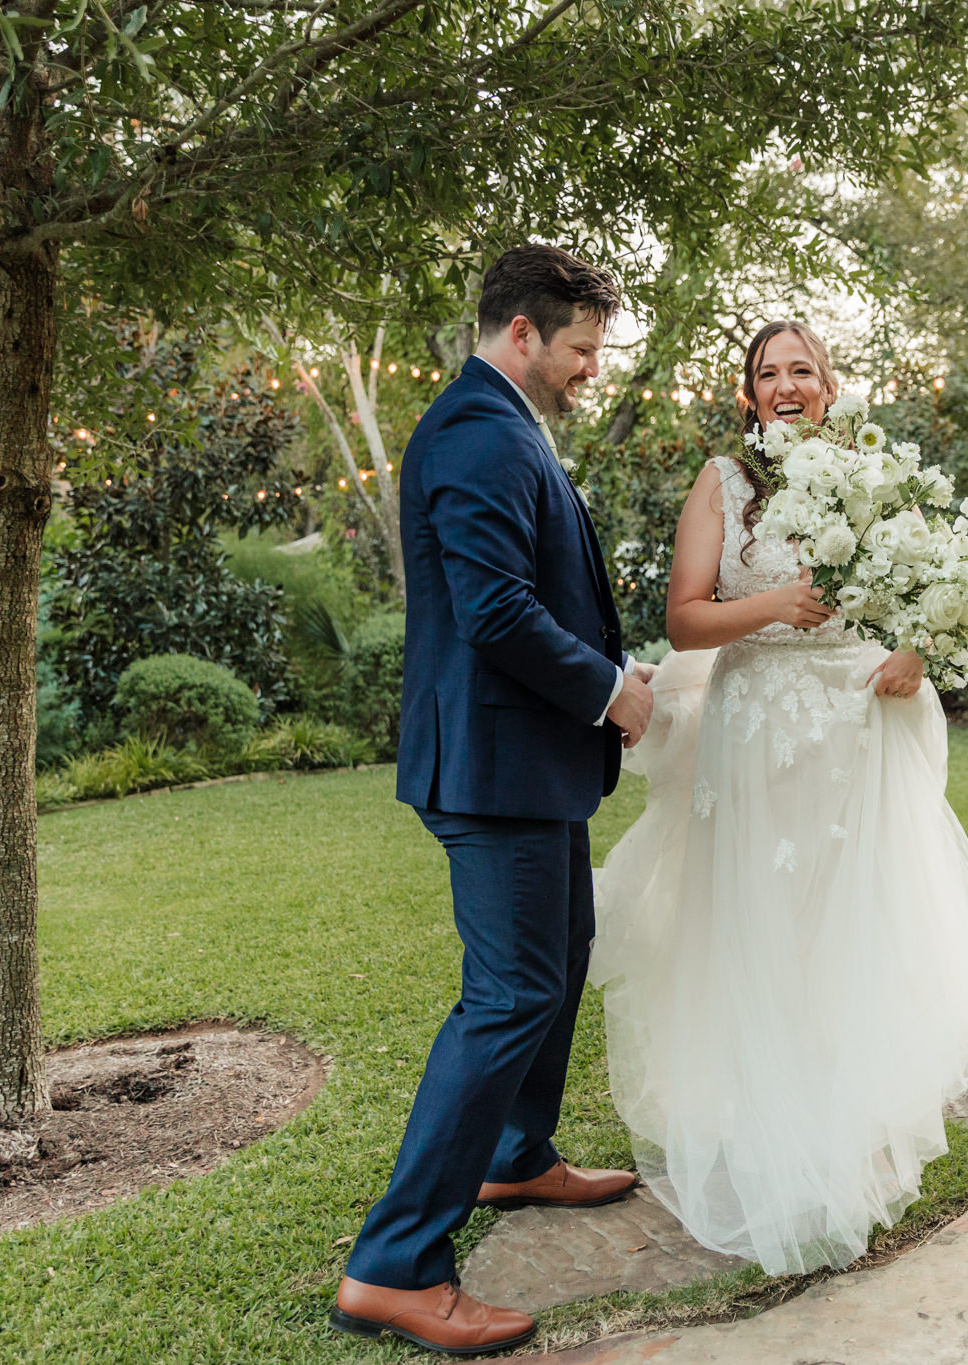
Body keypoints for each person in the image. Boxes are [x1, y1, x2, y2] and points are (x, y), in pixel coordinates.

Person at [590, 320, 968, 1276]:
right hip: (754, 728)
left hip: (850, 734)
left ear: (831, 384)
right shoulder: (723, 482)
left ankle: (846, 1142)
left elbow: (938, 594)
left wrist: (912, 652)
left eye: (801, 369)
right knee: (760, 928)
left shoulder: (877, 479)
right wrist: (773, 606)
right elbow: (685, 614)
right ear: (750, 395)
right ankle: (766, 1142)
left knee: (843, 933)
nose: (786, 385)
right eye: (768, 374)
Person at [331, 244, 657, 1356]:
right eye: (578, 349)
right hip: (495, 770)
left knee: (557, 960)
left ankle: (516, 1155)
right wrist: (613, 692)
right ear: (521, 333)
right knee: (510, 993)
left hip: (528, 768)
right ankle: (393, 1267)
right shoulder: (478, 428)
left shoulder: (502, 422)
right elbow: (497, 613)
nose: (587, 370)